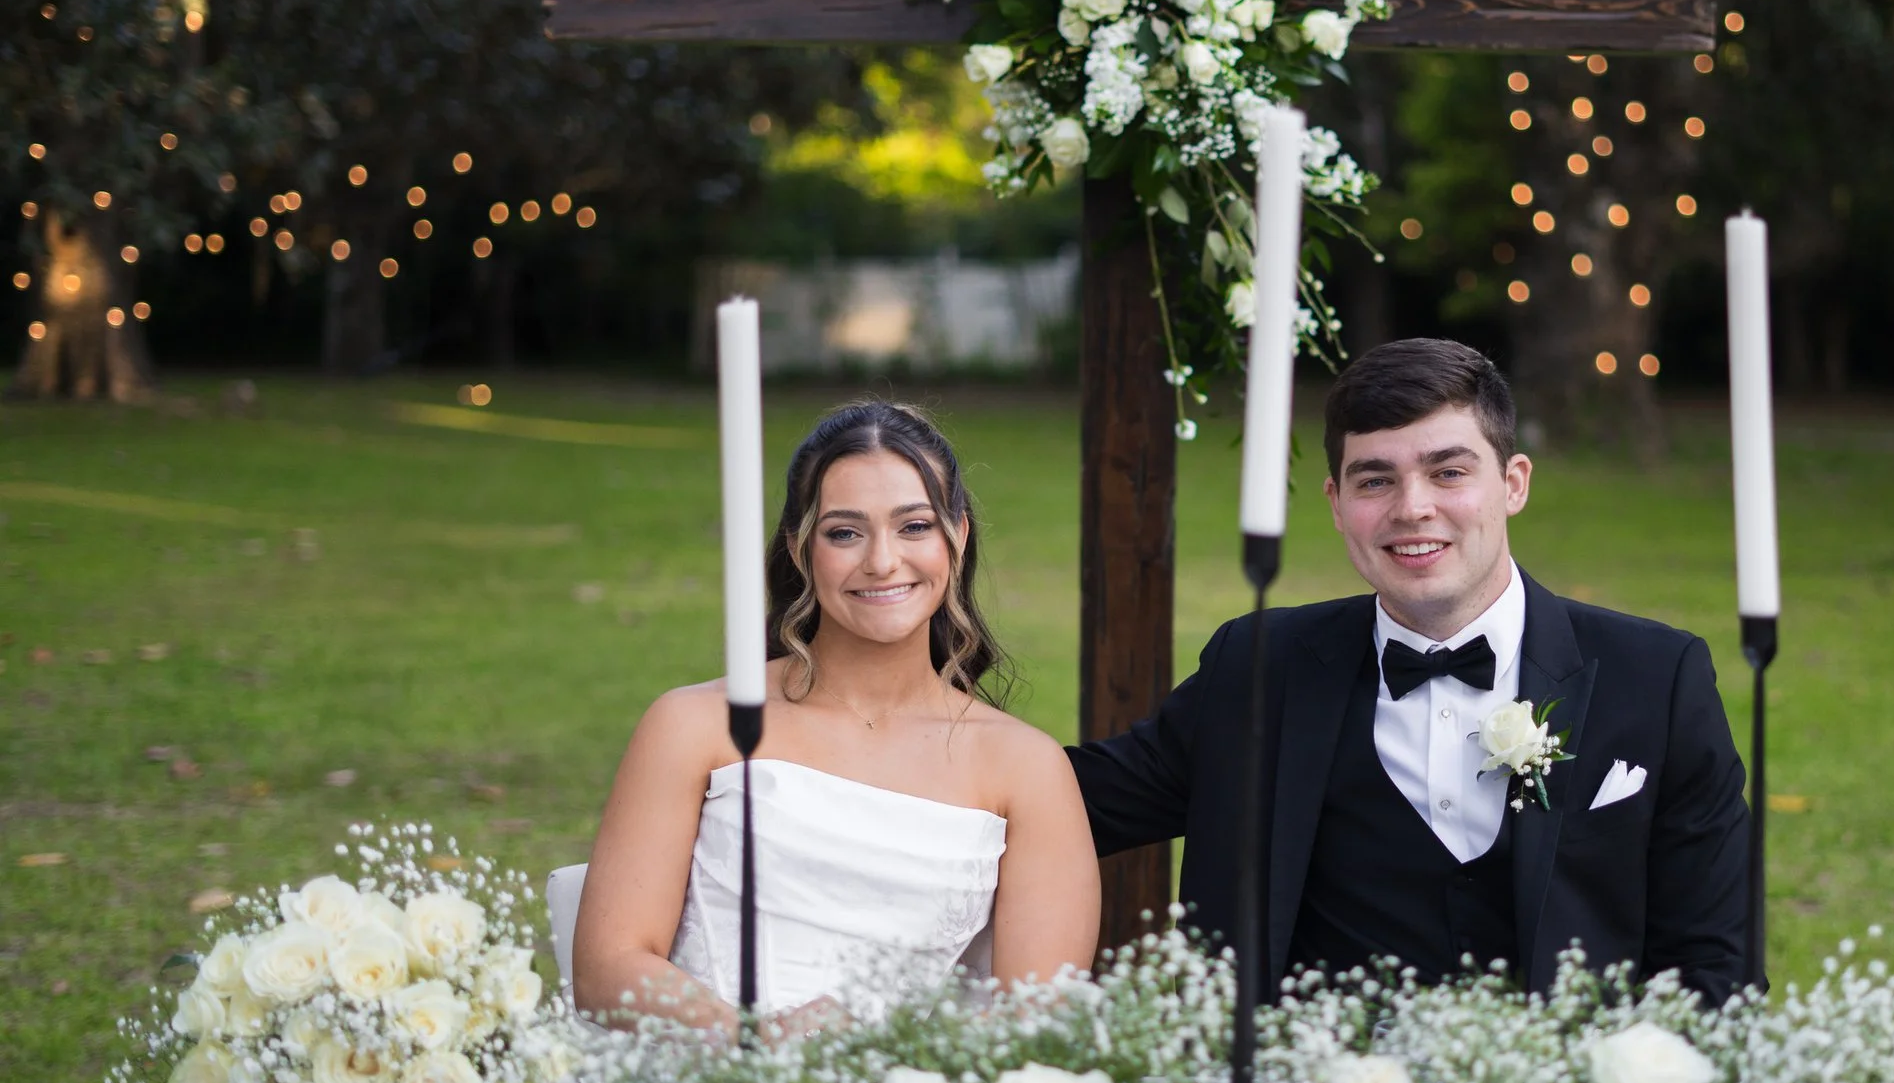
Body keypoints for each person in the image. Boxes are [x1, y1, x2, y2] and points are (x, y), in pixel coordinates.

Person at [1071, 338, 1753, 1004]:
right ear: (1337, 504)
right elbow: (1078, 799)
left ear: (1513, 484)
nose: (1412, 507)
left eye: (1449, 472)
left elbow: (1715, 964)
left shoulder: (1656, 679)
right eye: (1375, 480)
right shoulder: (1257, 669)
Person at [571, 401, 1099, 1040]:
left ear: (956, 538)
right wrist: (758, 1042)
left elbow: (1033, 1032)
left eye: (914, 527)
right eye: (845, 533)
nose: (882, 562)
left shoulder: (1026, 769)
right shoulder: (695, 724)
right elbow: (606, 967)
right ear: (800, 549)